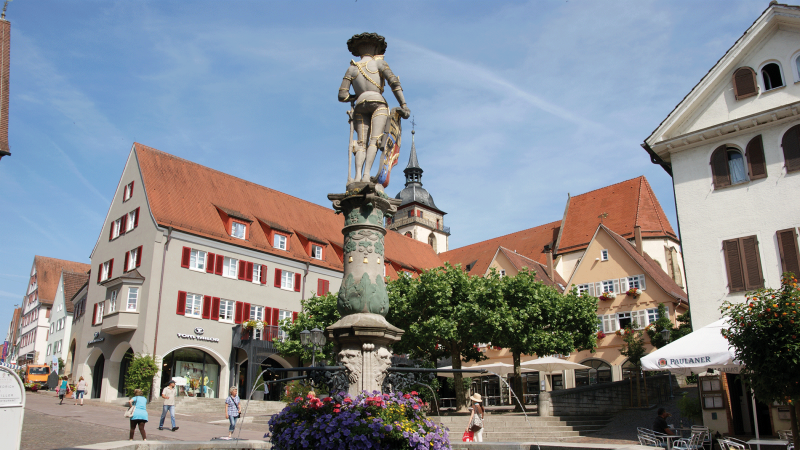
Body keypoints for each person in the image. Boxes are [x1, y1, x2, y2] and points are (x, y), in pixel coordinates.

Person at [338, 33, 410, 184]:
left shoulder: (352, 68)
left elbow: (342, 95)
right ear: (376, 48)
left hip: (360, 105)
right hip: (378, 103)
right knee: (375, 141)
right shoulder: (379, 64)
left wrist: (356, 97)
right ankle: (366, 175)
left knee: (360, 144)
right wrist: (404, 105)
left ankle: (357, 177)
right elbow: (394, 85)